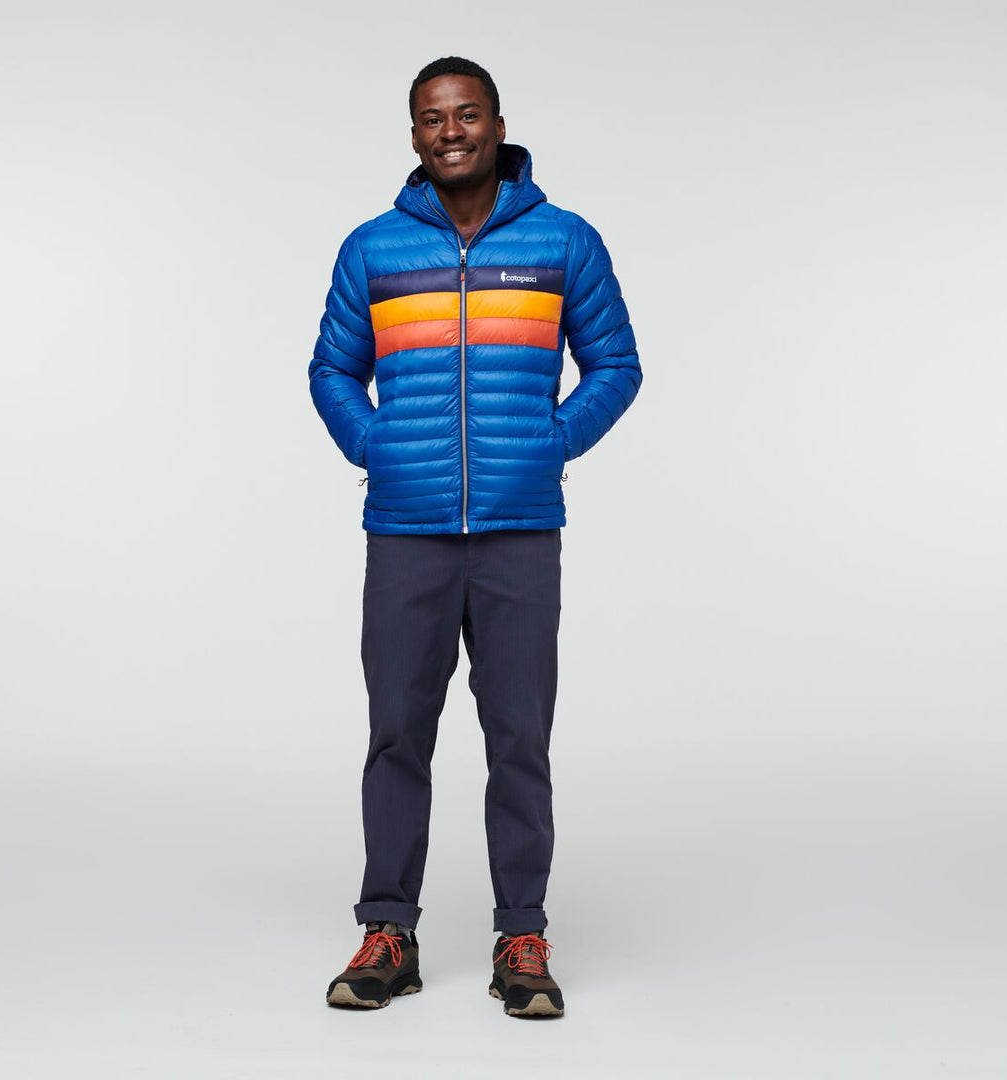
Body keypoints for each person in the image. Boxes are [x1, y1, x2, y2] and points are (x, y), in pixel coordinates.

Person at [308, 56, 642, 1018]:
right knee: (396, 734)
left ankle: (521, 934)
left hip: (519, 533)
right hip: (405, 531)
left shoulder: (563, 240)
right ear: (414, 134)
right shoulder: (373, 250)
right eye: (431, 118)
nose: (449, 132)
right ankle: (388, 931)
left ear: (497, 123)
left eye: (465, 114)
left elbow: (616, 364)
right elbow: (331, 370)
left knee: (520, 738)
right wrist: (375, 445)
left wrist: (551, 443)